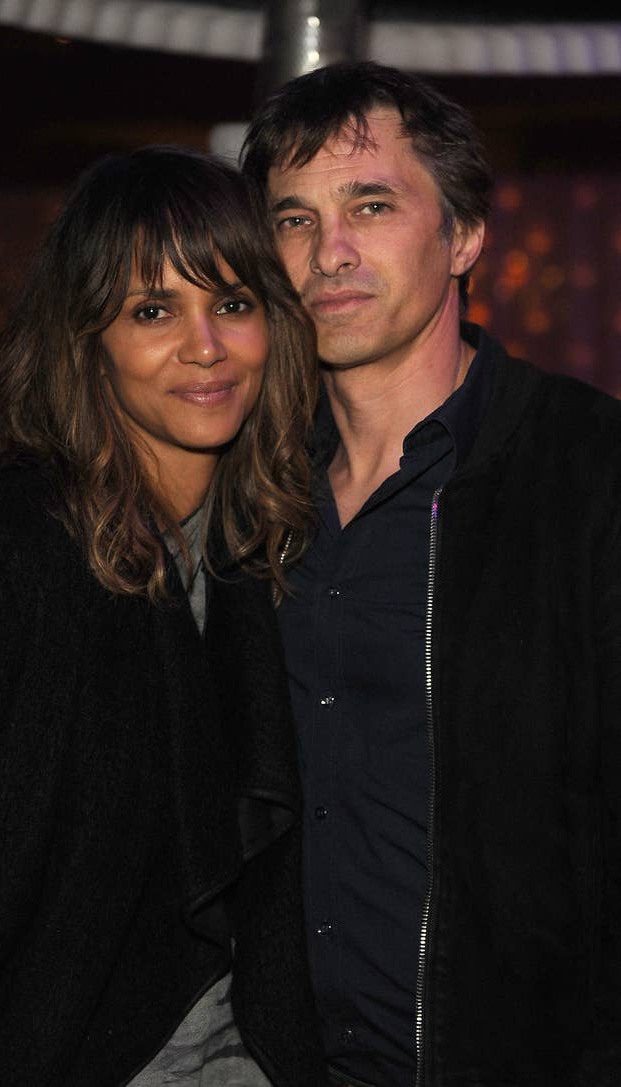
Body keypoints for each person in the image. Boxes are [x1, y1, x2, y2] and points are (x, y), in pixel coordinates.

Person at [240, 60, 621, 1087]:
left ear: (463, 233)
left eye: (370, 203)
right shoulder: (245, 494)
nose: (330, 252)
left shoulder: (586, 473)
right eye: (292, 218)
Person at [0, 144, 328, 1087]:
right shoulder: (5, 555)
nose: (206, 346)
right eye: (154, 310)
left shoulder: (245, 548)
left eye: (232, 302)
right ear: (85, 337)